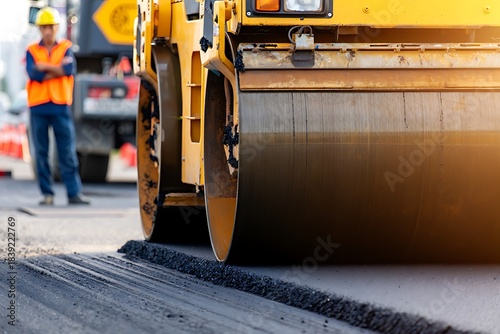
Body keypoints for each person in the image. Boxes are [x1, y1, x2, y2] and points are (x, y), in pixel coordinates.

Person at [25, 7, 90, 205]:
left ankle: (73, 193)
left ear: (57, 27)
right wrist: (57, 70)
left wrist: (44, 66)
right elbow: (33, 74)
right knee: (42, 153)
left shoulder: (66, 47)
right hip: (39, 107)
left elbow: (69, 70)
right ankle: (47, 194)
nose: (47, 31)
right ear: (39, 29)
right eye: (44, 27)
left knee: (67, 152)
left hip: (60, 106)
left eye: (51, 27)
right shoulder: (32, 50)